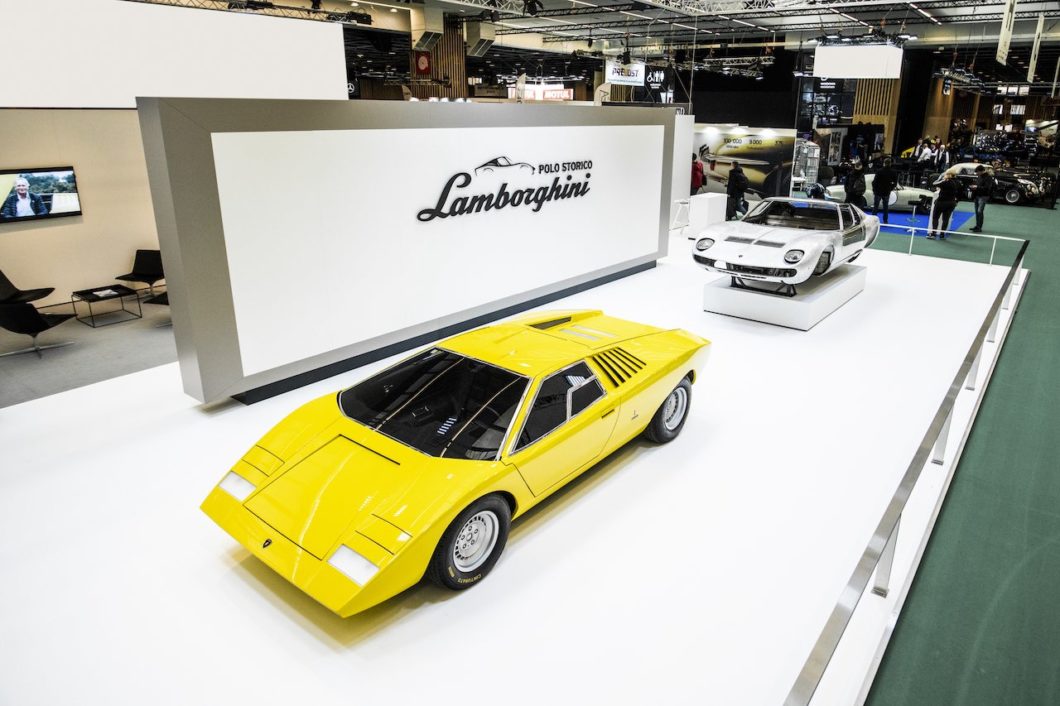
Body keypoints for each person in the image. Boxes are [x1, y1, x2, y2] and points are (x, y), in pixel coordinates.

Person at [929, 171, 961, 239]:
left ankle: (933, 234)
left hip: (941, 202)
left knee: (935, 218)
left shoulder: (944, 182)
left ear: (948, 175)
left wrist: (941, 178)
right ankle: (942, 234)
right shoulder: (957, 182)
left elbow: (934, 183)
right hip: (951, 203)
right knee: (946, 219)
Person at [872, 158, 899, 224]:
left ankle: (873, 220)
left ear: (884, 163)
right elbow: (895, 183)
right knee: (885, 207)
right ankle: (885, 221)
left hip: (878, 191)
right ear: (890, 163)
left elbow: (874, 182)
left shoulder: (879, 171)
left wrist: (874, 190)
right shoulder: (893, 172)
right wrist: (890, 188)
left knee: (876, 206)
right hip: (886, 191)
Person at [970, 164, 995, 233]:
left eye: (977, 172)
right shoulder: (979, 176)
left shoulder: (988, 177)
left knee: (979, 212)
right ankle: (977, 225)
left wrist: (977, 187)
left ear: (981, 171)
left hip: (983, 196)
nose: (977, 173)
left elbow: (987, 188)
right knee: (977, 212)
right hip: (977, 196)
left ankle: (979, 227)